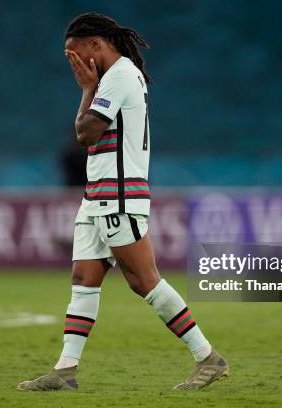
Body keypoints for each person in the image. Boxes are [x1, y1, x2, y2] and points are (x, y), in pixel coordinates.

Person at [18, 13, 228, 392]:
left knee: (143, 280)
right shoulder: (112, 78)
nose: (75, 64)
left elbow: (85, 133)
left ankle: (207, 357)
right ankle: (66, 370)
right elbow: (88, 135)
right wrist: (88, 87)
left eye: (77, 55)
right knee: (84, 278)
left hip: (118, 193)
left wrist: (85, 88)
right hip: (96, 193)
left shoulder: (118, 77)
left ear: (96, 45)